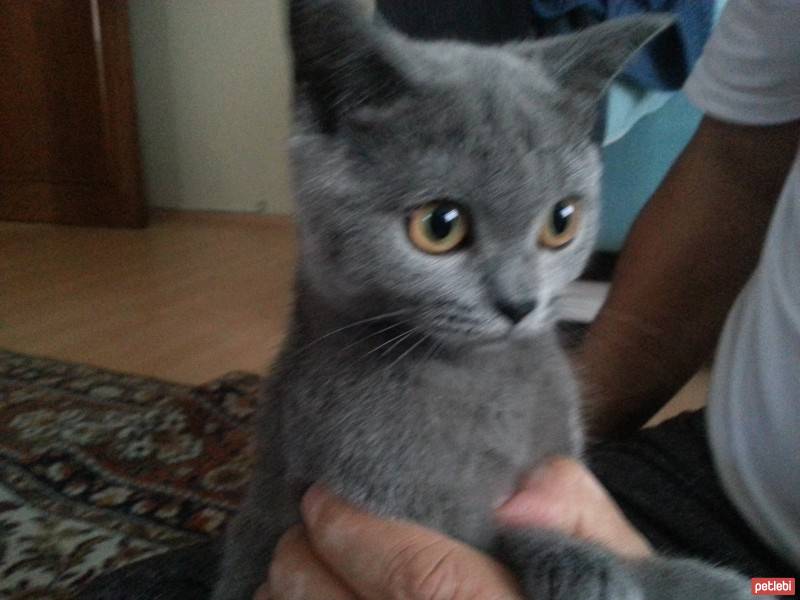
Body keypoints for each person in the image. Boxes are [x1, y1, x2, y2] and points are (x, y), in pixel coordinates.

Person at [260, 0, 800, 597]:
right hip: (717, 468)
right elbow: (737, 166)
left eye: (557, 226)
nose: (522, 296)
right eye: (441, 227)